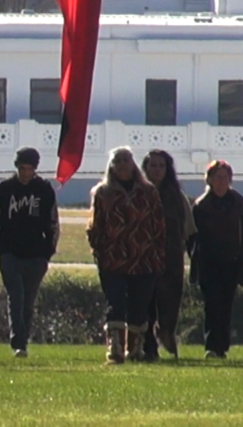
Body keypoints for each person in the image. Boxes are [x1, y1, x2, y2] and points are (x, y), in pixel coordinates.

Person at [86, 146, 166, 364]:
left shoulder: (148, 192)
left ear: (133, 165)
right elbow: (95, 227)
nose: (122, 164)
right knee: (116, 304)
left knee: (140, 306)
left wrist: (158, 253)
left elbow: (158, 225)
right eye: (118, 160)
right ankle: (115, 348)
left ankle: (136, 348)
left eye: (126, 160)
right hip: (113, 259)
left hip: (144, 259)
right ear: (112, 166)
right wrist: (100, 251)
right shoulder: (102, 193)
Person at [0, 146, 59, 359]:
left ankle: (24, 340)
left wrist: (48, 252)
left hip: (36, 254)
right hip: (10, 252)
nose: (25, 173)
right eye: (22, 168)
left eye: (29, 169)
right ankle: (17, 341)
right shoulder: (4, 189)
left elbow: (53, 222)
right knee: (16, 297)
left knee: (28, 300)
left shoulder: (45, 190)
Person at [190, 159, 243, 360]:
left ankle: (222, 347)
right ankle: (211, 346)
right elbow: (193, 236)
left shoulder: (238, 203)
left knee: (226, 305)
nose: (221, 182)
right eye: (218, 177)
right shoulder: (201, 206)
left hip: (231, 261)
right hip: (208, 262)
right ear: (209, 180)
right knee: (212, 304)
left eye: (225, 178)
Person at [141, 149, 196, 361]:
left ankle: (166, 334)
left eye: (161, 166)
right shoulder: (139, 192)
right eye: (153, 165)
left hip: (171, 258)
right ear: (145, 168)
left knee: (169, 302)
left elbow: (188, 228)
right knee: (146, 304)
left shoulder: (175, 195)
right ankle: (148, 347)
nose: (157, 170)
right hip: (143, 256)